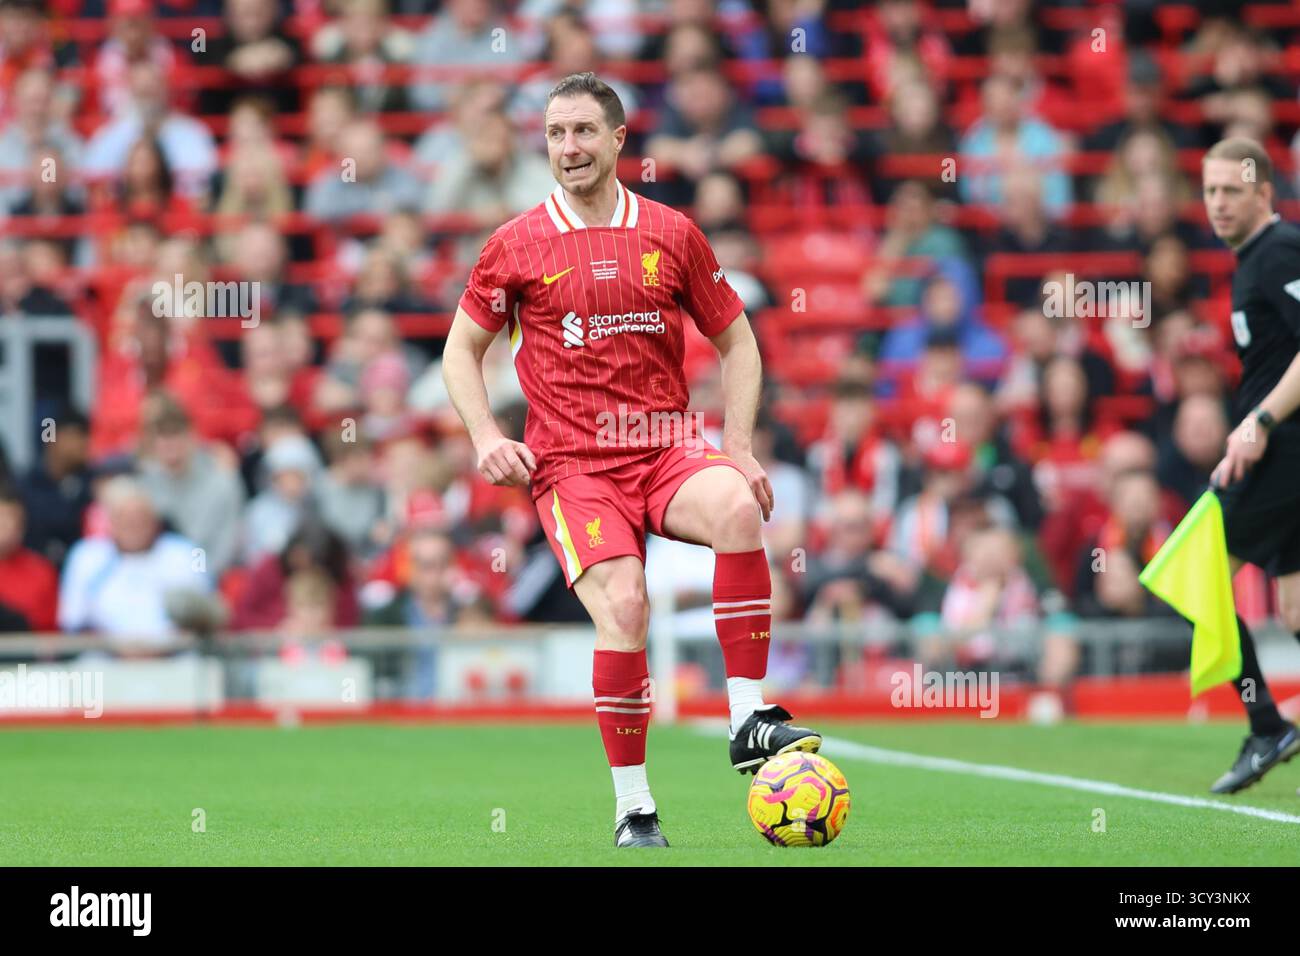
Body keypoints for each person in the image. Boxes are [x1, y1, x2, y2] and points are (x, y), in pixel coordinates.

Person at [441, 72, 820, 848]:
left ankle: (748, 717)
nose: (568, 148)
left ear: (619, 139)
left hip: (666, 446)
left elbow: (738, 341)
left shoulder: (673, 232)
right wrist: (486, 437)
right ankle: (634, 807)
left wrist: (738, 447)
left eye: (583, 131)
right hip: (574, 465)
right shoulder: (513, 244)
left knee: (741, 509)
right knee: (626, 609)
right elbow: (460, 351)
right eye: (555, 134)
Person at [1190, 138, 1300, 793]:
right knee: (1293, 606)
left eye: (1232, 190)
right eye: (1210, 191)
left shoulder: (1278, 251)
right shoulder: (1253, 261)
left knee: (1193, 576)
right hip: (1284, 451)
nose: (1219, 203)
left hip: (1285, 450)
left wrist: (1258, 423)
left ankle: (1266, 725)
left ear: (1263, 191)